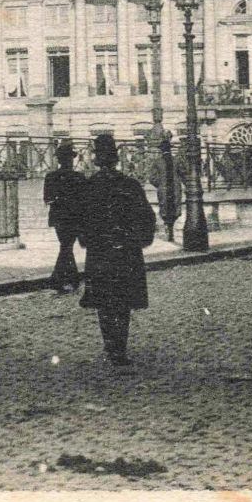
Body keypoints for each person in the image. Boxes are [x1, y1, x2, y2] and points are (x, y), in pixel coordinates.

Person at [78, 133, 157, 368]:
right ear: (116, 160)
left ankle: (110, 347)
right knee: (122, 301)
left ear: (97, 160)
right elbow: (147, 218)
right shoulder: (130, 185)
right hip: (126, 252)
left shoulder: (90, 186)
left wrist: (89, 240)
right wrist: (137, 240)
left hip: (101, 252)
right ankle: (119, 348)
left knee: (104, 301)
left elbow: (81, 220)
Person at [43, 142, 89, 295]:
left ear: (59, 160)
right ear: (71, 159)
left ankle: (63, 279)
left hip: (59, 218)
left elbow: (47, 198)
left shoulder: (51, 177)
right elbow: (85, 199)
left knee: (66, 246)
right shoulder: (79, 177)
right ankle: (66, 279)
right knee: (67, 246)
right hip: (75, 217)